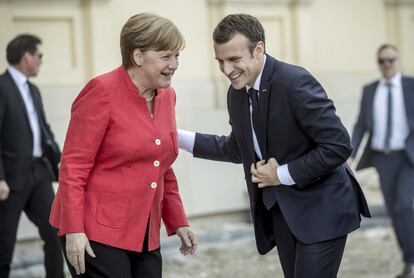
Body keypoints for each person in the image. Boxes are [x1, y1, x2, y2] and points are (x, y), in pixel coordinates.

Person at [179, 14, 371, 278]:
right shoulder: (236, 93)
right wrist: (175, 137)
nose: (226, 69)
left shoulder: (295, 82)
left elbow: (338, 146)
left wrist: (280, 175)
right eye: (220, 61)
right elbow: (237, 148)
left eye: (234, 59)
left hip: (323, 208)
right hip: (282, 211)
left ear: (259, 49)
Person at [49, 13, 197, 278]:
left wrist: (177, 221)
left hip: (144, 231)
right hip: (95, 231)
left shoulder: (167, 96)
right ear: (138, 56)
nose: (174, 64)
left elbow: (161, 164)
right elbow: (73, 166)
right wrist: (74, 230)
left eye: (177, 56)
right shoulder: (101, 91)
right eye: (166, 56)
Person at [0, 34, 64, 277]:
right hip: (11, 179)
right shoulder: (2, 86)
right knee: (4, 245)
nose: (40, 61)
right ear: (26, 57)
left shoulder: (33, 89)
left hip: (39, 173)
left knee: (56, 234)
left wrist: (60, 160)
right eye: (39, 56)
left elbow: (43, 128)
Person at [350, 44, 414, 278]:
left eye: (391, 60)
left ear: (398, 60)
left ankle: (412, 259)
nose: (387, 65)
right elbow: (360, 125)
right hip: (381, 159)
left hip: (407, 158)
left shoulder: (410, 86)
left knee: (405, 205)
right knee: (394, 212)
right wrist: (351, 153)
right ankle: (408, 262)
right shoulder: (369, 90)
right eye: (382, 61)